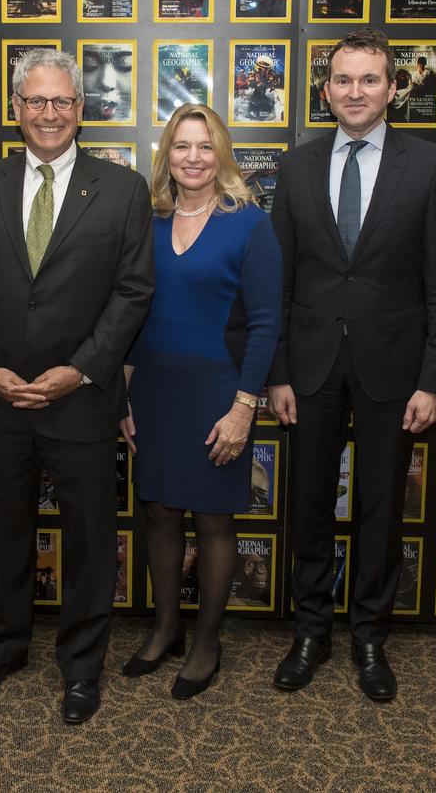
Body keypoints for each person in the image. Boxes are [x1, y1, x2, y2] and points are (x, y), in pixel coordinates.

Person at [0, 48, 154, 725]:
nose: (49, 113)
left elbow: (132, 293)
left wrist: (82, 368)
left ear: (81, 110)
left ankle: (82, 667)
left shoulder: (121, 190)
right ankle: (2, 648)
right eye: (35, 101)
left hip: (83, 398)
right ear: (14, 110)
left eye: (62, 101)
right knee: (3, 532)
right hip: (0, 399)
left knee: (91, 541)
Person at [268, 27, 436, 701]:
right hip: (311, 368)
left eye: (369, 79)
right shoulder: (296, 166)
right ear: (326, 91)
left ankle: (371, 635)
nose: (356, 91)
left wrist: (435, 379)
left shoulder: (431, 164)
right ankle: (311, 631)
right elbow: (281, 282)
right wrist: (279, 372)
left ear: (392, 89)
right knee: (309, 504)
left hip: (395, 369)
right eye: (343, 80)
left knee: (381, 507)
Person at [120, 104, 281, 699]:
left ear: (222, 155)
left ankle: (208, 641)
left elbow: (266, 323)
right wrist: (124, 394)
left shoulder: (248, 224)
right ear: (167, 154)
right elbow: (132, 313)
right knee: (159, 512)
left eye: (205, 145)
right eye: (181, 145)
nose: (192, 157)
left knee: (213, 520)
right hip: (155, 391)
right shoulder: (147, 221)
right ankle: (166, 629)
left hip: (220, 393)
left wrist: (245, 406)